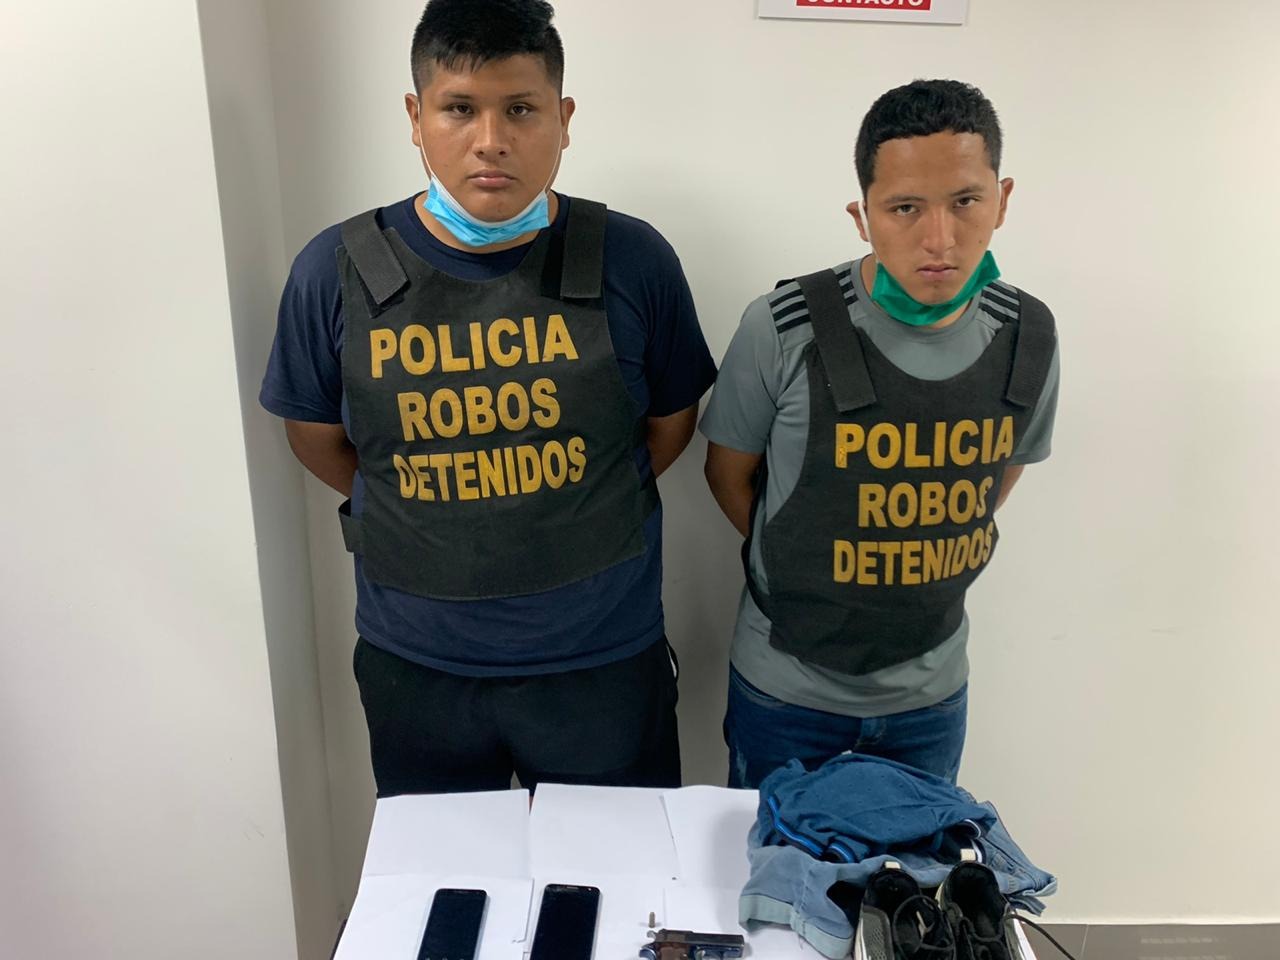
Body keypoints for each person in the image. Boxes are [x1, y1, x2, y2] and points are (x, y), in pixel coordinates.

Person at [259, 0, 715, 796]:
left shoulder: (633, 260)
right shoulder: (334, 270)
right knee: (441, 875)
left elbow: (669, 426)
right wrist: (430, 507)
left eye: (521, 109)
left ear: (564, 119)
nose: (491, 139)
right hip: (419, 668)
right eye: (460, 109)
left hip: (600, 664)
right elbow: (315, 436)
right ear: (416, 117)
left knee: (615, 871)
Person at [701, 79, 1060, 789]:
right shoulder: (783, 327)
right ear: (862, 217)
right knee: (773, 862)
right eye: (904, 208)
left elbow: (989, 485)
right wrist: (812, 564)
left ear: (1003, 199)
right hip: (787, 689)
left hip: (931, 695)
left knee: (917, 863)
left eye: (965, 202)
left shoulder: (1029, 336)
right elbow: (727, 475)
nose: (939, 239)